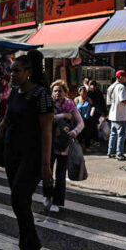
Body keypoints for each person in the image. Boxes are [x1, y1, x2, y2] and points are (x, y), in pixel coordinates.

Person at [0, 51, 53, 250]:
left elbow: (47, 131)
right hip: (12, 155)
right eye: (11, 70)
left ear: (29, 72)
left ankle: (33, 246)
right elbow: (4, 124)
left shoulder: (41, 95)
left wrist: (46, 165)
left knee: (19, 200)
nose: (12, 74)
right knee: (20, 203)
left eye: (17, 71)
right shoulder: (15, 93)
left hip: (32, 157)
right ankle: (24, 247)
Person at [44, 80, 84, 213]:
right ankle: (47, 194)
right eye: (55, 91)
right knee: (47, 171)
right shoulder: (48, 104)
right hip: (49, 144)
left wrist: (75, 132)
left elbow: (81, 123)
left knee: (60, 175)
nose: (57, 93)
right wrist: (63, 115)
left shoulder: (70, 105)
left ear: (65, 92)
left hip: (64, 145)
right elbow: (45, 119)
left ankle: (56, 202)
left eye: (60, 91)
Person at [107, 70, 126, 161]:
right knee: (121, 135)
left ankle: (110, 152)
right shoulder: (121, 87)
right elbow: (123, 100)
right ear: (120, 77)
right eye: (125, 77)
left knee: (113, 134)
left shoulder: (110, 87)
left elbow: (108, 102)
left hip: (112, 114)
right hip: (120, 114)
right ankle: (119, 154)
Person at [74, 85, 96, 151]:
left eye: (86, 91)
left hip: (87, 119)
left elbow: (93, 106)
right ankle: (80, 146)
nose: (85, 92)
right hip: (79, 119)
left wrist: (92, 111)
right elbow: (73, 109)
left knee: (87, 133)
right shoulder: (76, 99)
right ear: (79, 92)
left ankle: (87, 147)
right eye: (83, 91)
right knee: (79, 134)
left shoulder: (88, 99)